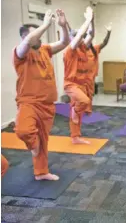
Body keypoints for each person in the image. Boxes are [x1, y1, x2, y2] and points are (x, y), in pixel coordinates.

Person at [13, 9, 70, 181]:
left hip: (47, 104)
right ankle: (33, 145)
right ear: (24, 38)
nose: (41, 38)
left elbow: (64, 42)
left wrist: (63, 26)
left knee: (44, 139)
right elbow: (30, 40)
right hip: (28, 102)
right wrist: (45, 24)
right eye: (37, 35)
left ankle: (41, 172)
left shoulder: (45, 49)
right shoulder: (20, 53)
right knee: (24, 130)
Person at [63, 7, 94, 144]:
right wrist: (87, 19)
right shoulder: (70, 51)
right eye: (80, 38)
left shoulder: (82, 48)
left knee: (78, 111)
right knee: (82, 103)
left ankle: (75, 137)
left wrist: (92, 20)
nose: (82, 40)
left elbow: (91, 34)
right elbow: (79, 37)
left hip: (82, 84)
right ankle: (75, 112)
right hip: (71, 84)